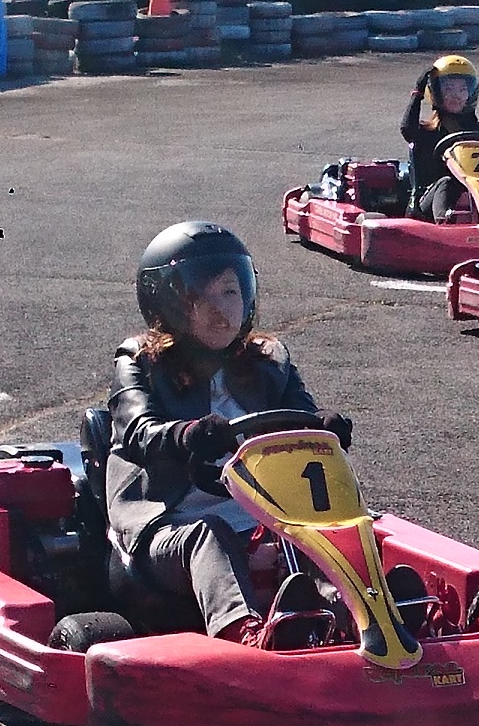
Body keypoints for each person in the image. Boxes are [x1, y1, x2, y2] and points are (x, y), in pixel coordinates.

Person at [104, 221, 355, 649]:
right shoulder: (140, 362)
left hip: (261, 517)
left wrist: (322, 424)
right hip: (169, 526)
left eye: (229, 292)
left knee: (330, 521)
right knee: (211, 531)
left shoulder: (269, 361)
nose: (220, 310)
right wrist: (187, 435)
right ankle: (244, 635)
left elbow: (301, 416)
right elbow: (137, 431)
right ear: (167, 304)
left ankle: (356, 616)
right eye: (201, 297)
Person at [401, 54, 479, 222]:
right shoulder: (426, 131)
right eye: (449, 89)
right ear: (436, 92)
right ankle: (445, 222)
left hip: (476, 197)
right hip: (426, 204)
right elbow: (406, 130)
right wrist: (418, 92)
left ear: (471, 93)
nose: (456, 95)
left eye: (462, 90)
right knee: (447, 182)